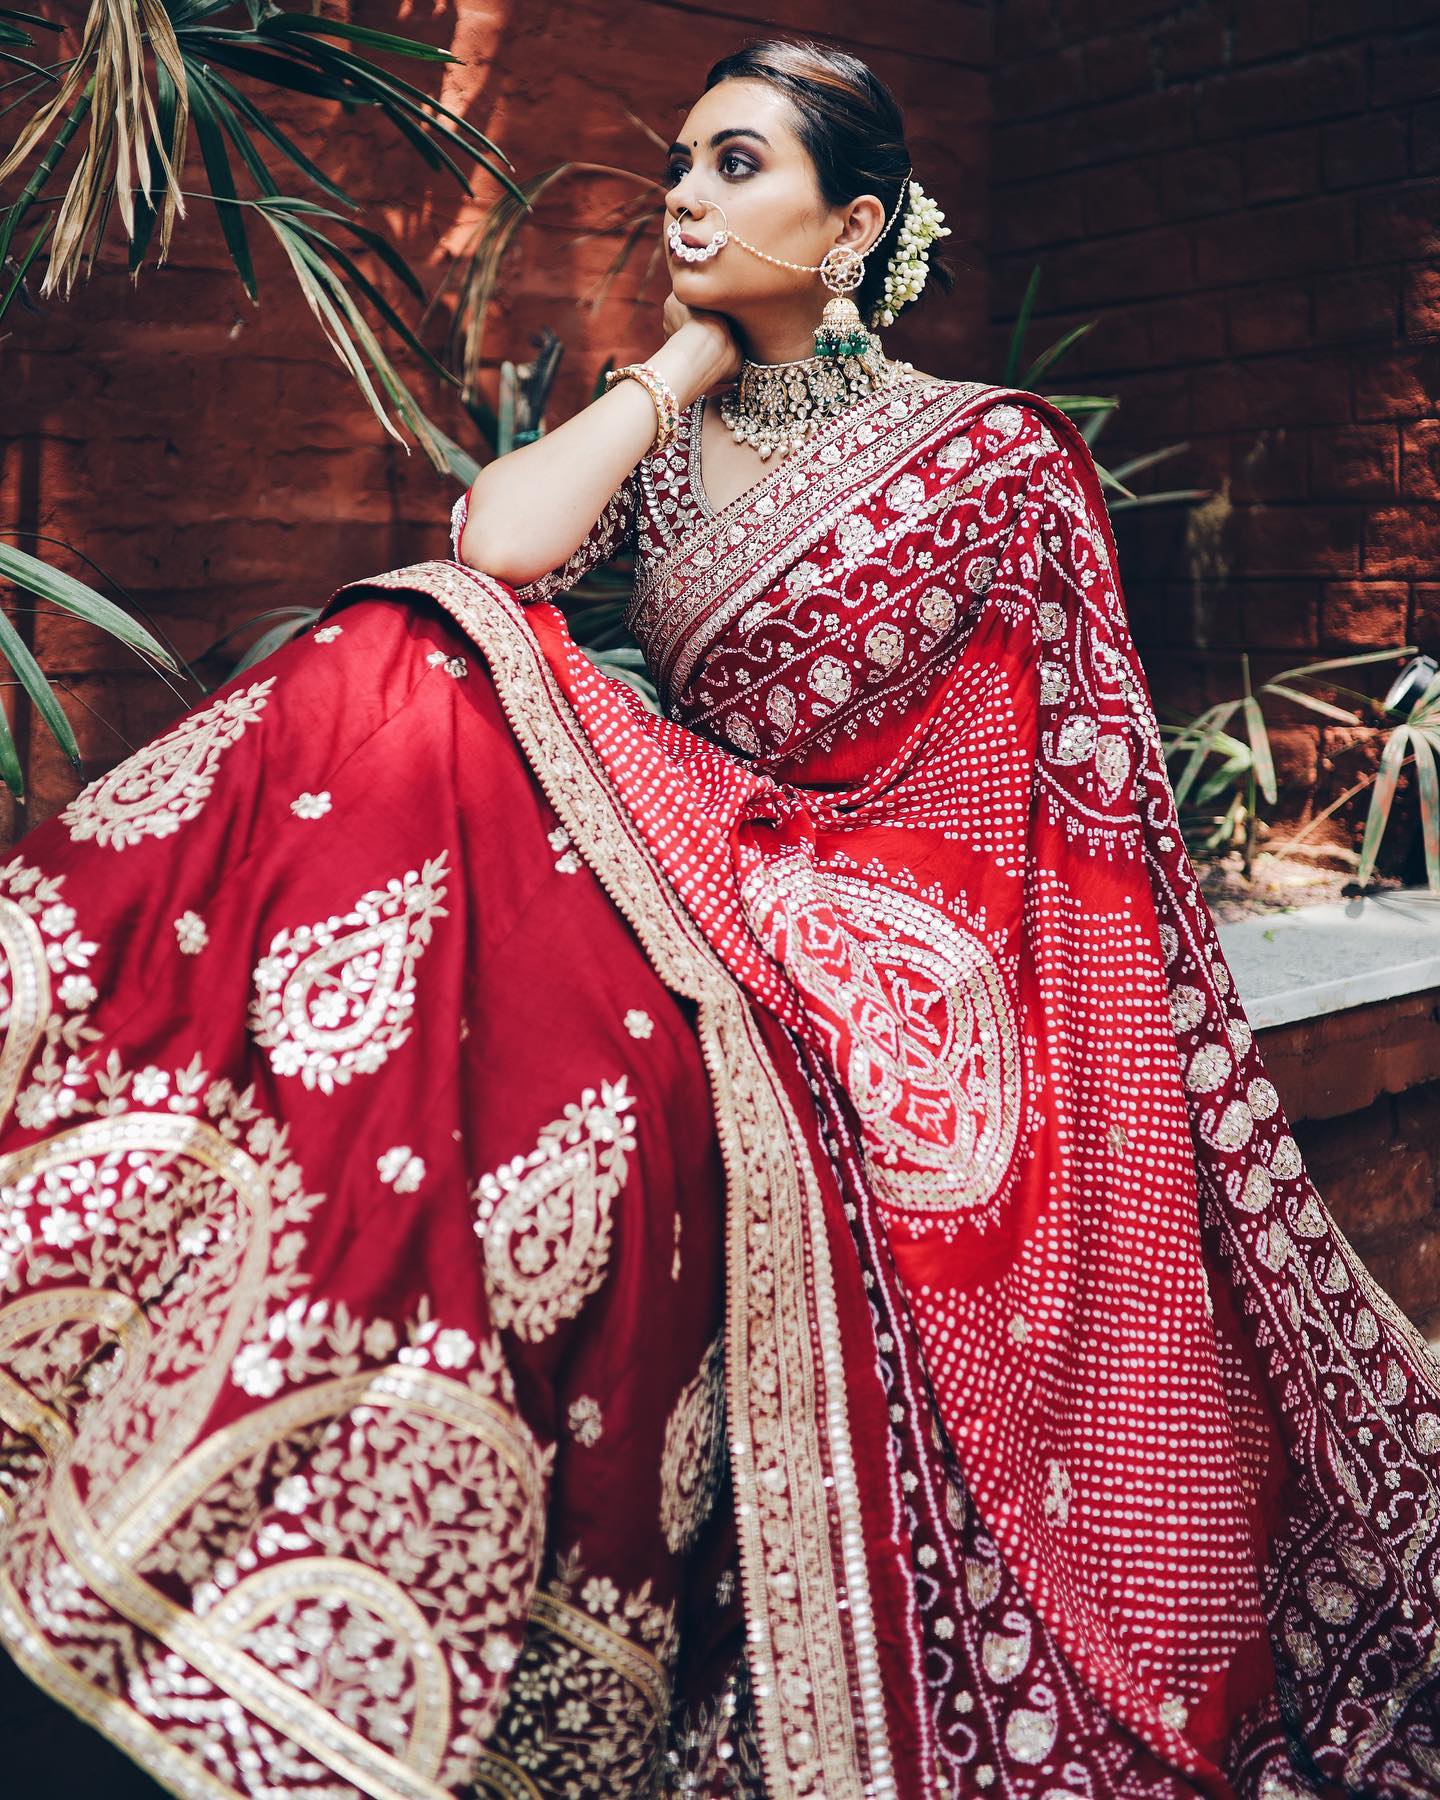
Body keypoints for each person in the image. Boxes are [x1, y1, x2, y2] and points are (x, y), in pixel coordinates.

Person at [1, 32, 1437, 1800]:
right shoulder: (670, 453)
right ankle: (82, 1059)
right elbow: (501, 539)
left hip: (904, 938)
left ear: (856, 228)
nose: (684, 195)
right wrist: (678, 361)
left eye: (737, 164)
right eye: (683, 161)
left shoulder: (997, 454)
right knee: (406, 642)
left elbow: (1090, 812)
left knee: (413, 656)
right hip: (709, 868)